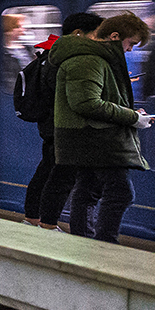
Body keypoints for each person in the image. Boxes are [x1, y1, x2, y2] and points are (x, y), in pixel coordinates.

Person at [51, 11, 155, 243]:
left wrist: (133, 114)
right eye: (130, 43)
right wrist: (131, 118)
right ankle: (104, 245)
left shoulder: (97, 58)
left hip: (91, 135)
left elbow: (101, 98)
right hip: (93, 136)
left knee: (88, 191)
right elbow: (86, 103)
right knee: (120, 193)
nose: (130, 50)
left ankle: (85, 244)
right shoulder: (88, 60)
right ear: (115, 36)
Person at [24, 12, 101, 226]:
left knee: (48, 171)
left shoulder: (53, 54)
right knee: (61, 177)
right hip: (61, 124)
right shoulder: (61, 59)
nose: (99, 41)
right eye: (96, 35)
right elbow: (65, 93)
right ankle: (46, 224)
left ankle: (33, 219)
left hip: (53, 123)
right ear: (78, 33)